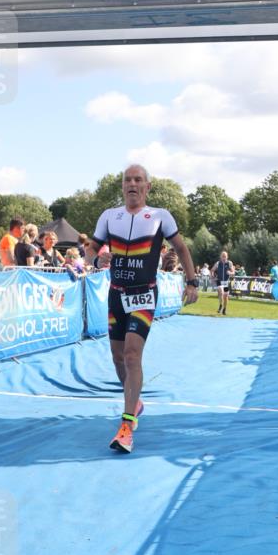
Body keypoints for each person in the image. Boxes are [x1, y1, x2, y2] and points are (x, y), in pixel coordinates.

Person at [84, 164, 198, 454]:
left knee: (133, 355)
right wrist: (97, 260)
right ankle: (134, 401)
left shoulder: (160, 216)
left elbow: (182, 249)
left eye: (138, 180)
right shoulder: (109, 217)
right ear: (122, 187)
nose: (132, 184)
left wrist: (192, 281)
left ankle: (126, 425)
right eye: (127, 180)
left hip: (144, 295)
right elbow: (89, 250)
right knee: (118, 358)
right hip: (116, 295)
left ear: (147, 187)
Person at [211, 249, 235, 316]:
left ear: (227, 257)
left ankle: (224, 309)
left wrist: (230, 272)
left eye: (225, 256)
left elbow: (233, 272)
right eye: (223, 256)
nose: (224, 258)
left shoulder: (229, 263)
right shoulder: (218, 263)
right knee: (221, 292)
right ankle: (221, 304)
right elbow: (212, 270)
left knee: (226, 295)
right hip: (219, 281)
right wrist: (212, 275)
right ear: (220, 257)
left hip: (226, 282)